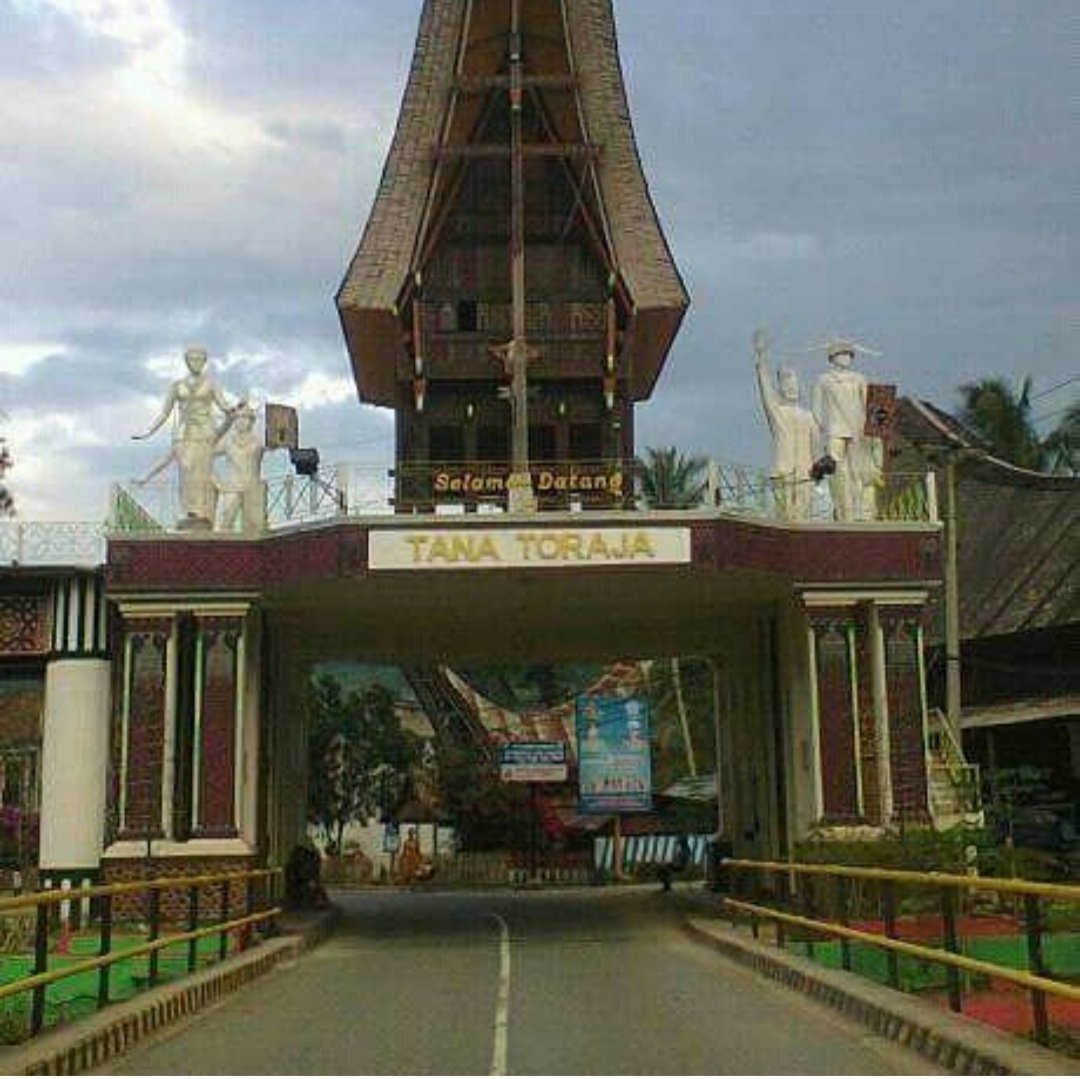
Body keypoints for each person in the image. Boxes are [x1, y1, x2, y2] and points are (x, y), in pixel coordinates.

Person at [133, 346, 238, 529]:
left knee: (201, 472)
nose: (195, 363)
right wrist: (148, 432)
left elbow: (224, 406)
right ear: (186, 361)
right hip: (183, 433)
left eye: (199, 359)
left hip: (204, 432)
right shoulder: (177, 386)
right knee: (186, 471)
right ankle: (189, 510)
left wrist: (232, 410)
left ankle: (201, 512)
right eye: (192, 359)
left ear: (204, 362)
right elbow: (164, 413)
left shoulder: (212, 384)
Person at [753, 330, 818, 520]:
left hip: (806, 474)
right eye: (786, 383)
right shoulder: (778, 413)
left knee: (804, 517)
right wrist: (762, 359)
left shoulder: (809, 416)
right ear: (780, 388)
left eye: (794, 383)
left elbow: (817, 447)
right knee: (785, 517)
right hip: (784, 471)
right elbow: (765, 389)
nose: (790, 387)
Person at [811, 340, 869, 521]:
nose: (846, 358)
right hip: (835, 428)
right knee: (835, 469)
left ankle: (859, 507)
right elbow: (816, 406)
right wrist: (822, 426)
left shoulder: (859, 379)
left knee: (856, 469)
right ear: (833, 358)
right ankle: (840, 508)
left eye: (849, 354)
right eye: (842, 354)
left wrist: (868, 427)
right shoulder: (824, 380)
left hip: (856, 428)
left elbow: (869, 405)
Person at [214, 400, 266, 534]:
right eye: (237, 417)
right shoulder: (227, 441)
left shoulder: (259, 442)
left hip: (252, 489)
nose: (241, 421)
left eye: (245, 417)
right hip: (231, 488)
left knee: (255, 530)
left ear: (252, 420)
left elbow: (277, 442)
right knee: (223, 527)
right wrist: (216, 481)